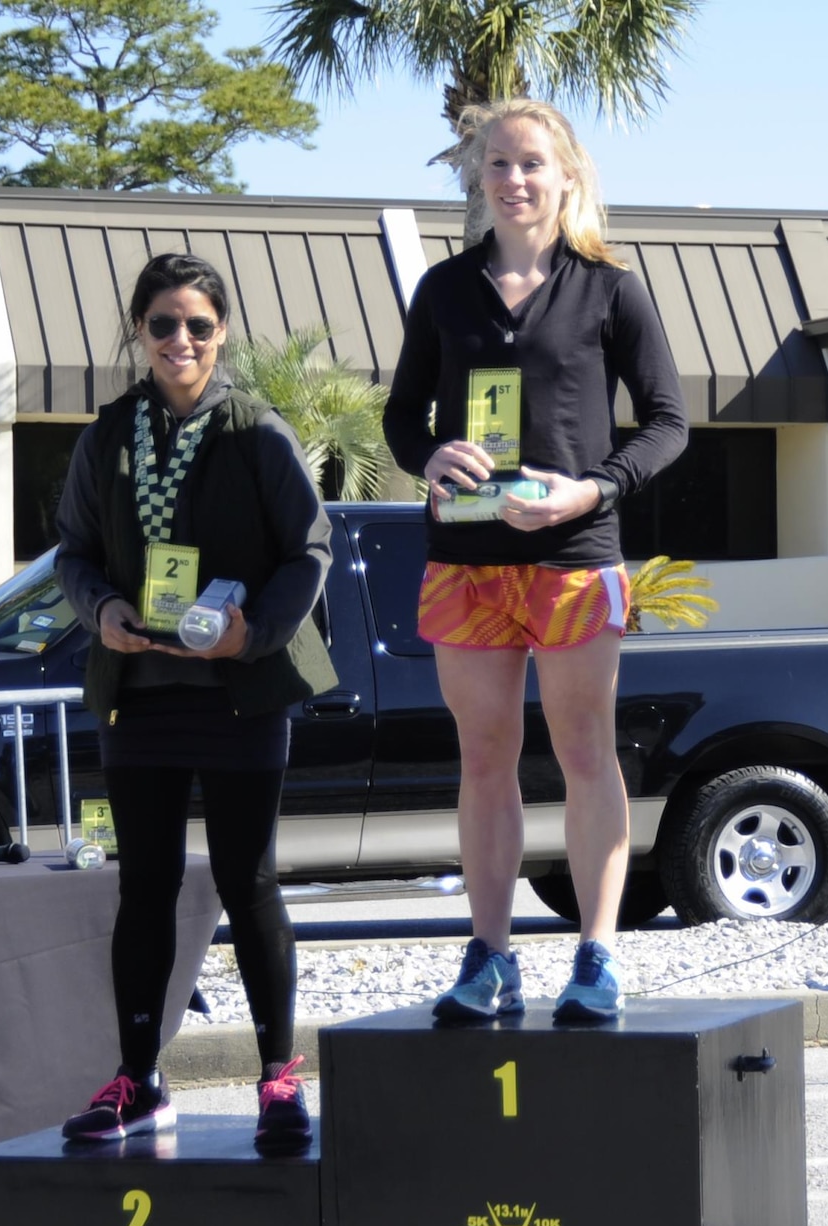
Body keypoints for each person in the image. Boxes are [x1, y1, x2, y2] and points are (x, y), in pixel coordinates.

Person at [383, 97, 688, 1024]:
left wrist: (590, 491)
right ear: (478, 179)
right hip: (466, 560)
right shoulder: (443, 291)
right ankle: (490, 955)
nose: (515, 181)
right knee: (485, 759)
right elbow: (403, 419)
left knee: (586, 753)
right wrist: (428, 456)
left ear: (568, 177)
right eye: (499, 165)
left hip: (573, 556)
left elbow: (669, 423)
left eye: (532, 165)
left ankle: (596, 954)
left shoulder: (611, 288)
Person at [54, 252, 338, 1151]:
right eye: (163, 323)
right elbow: (72, 551)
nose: (181, 340)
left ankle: (279, 1077)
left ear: (222, 333)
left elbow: (310, 550)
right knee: (145, 888)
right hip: (139, 691)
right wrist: (102, 610)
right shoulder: (108, 435)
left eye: (199, 325)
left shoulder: (257, 431)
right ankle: (138, 1079)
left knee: (248, 880)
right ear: (139, 330)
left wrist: (251, 632)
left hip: (241, 694)